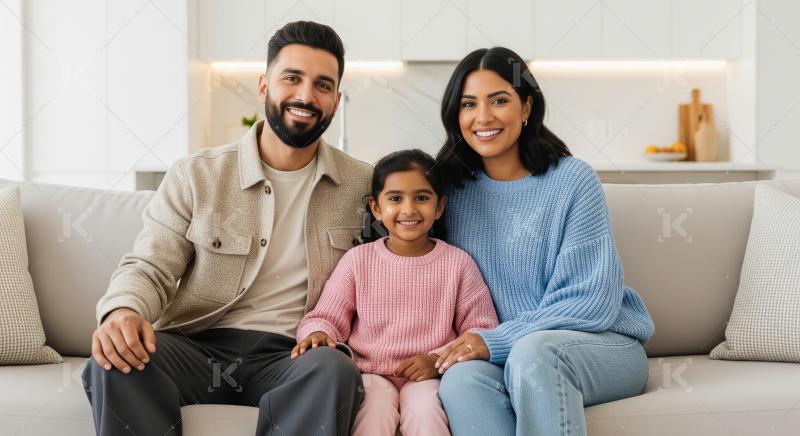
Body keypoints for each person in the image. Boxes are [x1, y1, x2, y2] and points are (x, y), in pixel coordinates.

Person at [81, 21, 371, 436]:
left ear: (337, 100)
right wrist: (123, 311)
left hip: (294, 355)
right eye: (292, 78)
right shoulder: (196, 175)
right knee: (115, 360)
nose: (306, 96)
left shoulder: (365, 185)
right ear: (263, 85)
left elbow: (394, 267)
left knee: (333, 369)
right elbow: (150, 265)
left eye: (322, 85)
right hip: (198, 345)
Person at [432, 47, 656, 436]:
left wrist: (498, 340)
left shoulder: (573, 181)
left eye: (499, 100)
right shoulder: (448, 193)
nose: (483, 117)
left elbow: (590, 301)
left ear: (526, 107)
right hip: (507, 354)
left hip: (599, 345)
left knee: (534, 354)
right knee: (460, 380)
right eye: (469, 104)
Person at [292, 149, 499, 436]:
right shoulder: (358, 261)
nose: (409, 209)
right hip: (370, 373)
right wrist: (318, 333)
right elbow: (327, 316)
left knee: (427, 414)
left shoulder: (458, 264)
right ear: (376, 207)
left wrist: (436, 361)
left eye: (422, 198)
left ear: (439, 207)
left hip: (429, 375)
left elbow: (480, 329)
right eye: (395, 198)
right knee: (372, 413)